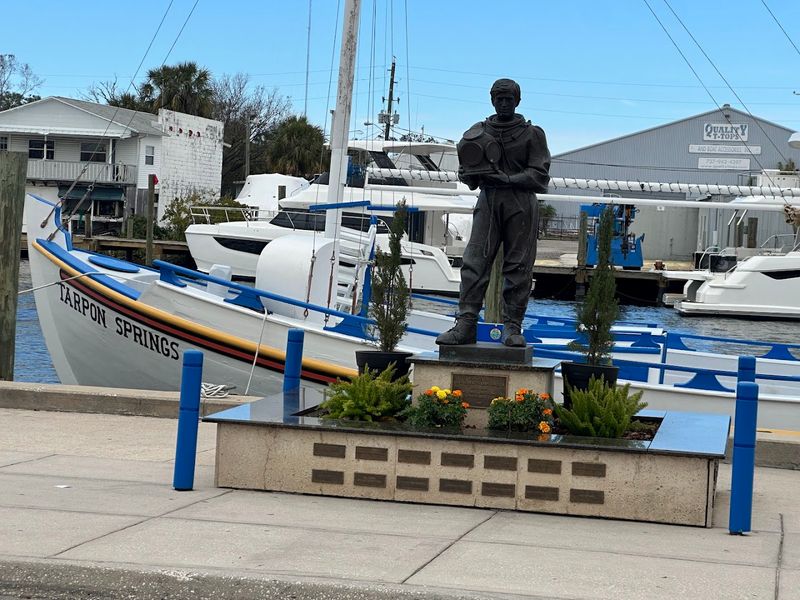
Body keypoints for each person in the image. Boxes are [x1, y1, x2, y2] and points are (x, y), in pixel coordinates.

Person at [436, 78, 551, 347]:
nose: (503, 103)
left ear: (518, 100)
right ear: (491, 100)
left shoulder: (532, 134)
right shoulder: (477, 131)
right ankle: (466, 323)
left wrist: (509, 180)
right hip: (489, 200)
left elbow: (539, 177)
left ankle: (513, 326)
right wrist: (467, 175)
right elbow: (471, 176)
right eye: (498, 98)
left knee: (518, 266)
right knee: (474, 261)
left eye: (508, 98)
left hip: (520, 203)